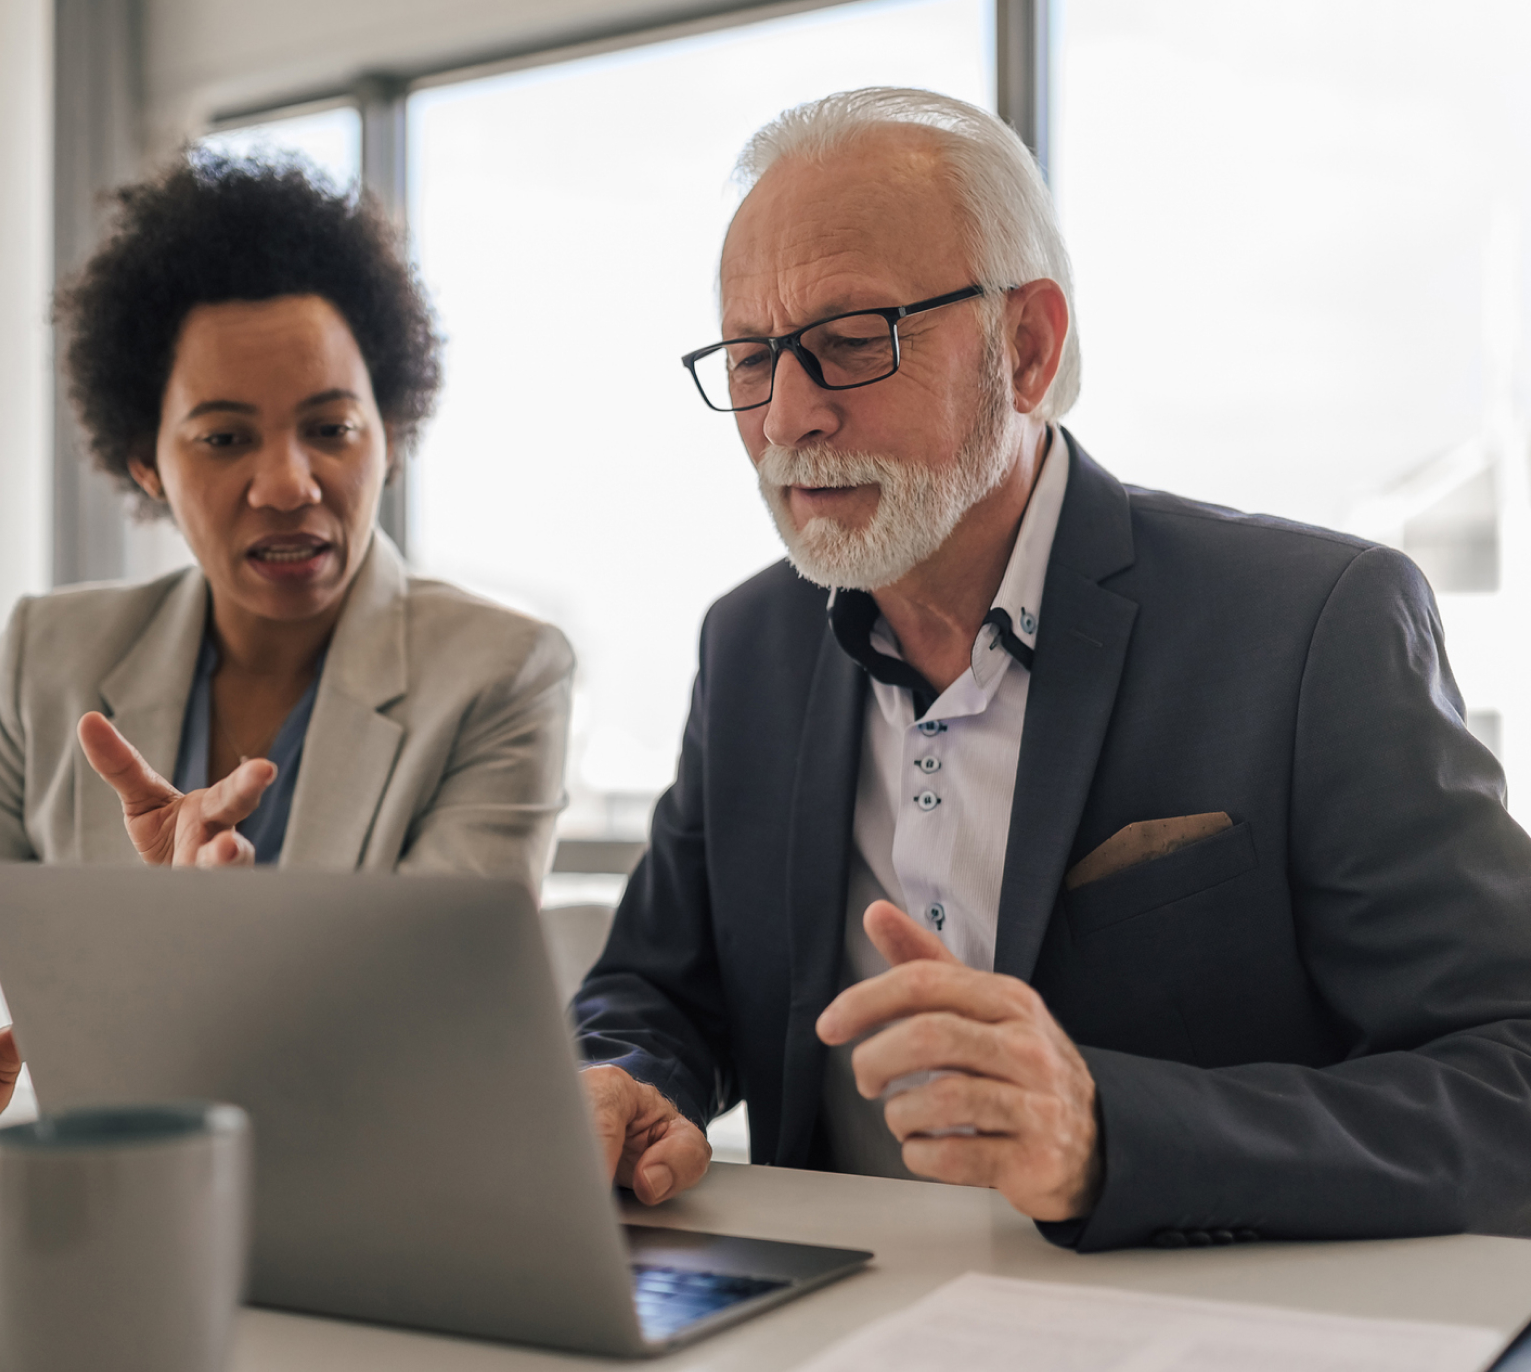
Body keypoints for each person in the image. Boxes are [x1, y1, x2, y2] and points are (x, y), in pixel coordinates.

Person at [575, 86, 1531, 1250]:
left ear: (1026, 347)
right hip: (814, 1318)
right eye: (750, 355)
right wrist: (625, 1080)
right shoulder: (750, 646)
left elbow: (1509, 1078)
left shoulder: (1311, 625)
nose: (786, 417)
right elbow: (661, 992)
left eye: (846, 343)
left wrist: (1109, 1135)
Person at [0, 154, 576, 1174]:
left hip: (375, 1218)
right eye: (224, 437)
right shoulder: (50, 664)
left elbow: (420, 1041)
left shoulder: (503, 675)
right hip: (112, 1237)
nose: (289, 483)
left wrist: (208, 948)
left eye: (332, 427)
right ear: (147, 465)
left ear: (392, 435)